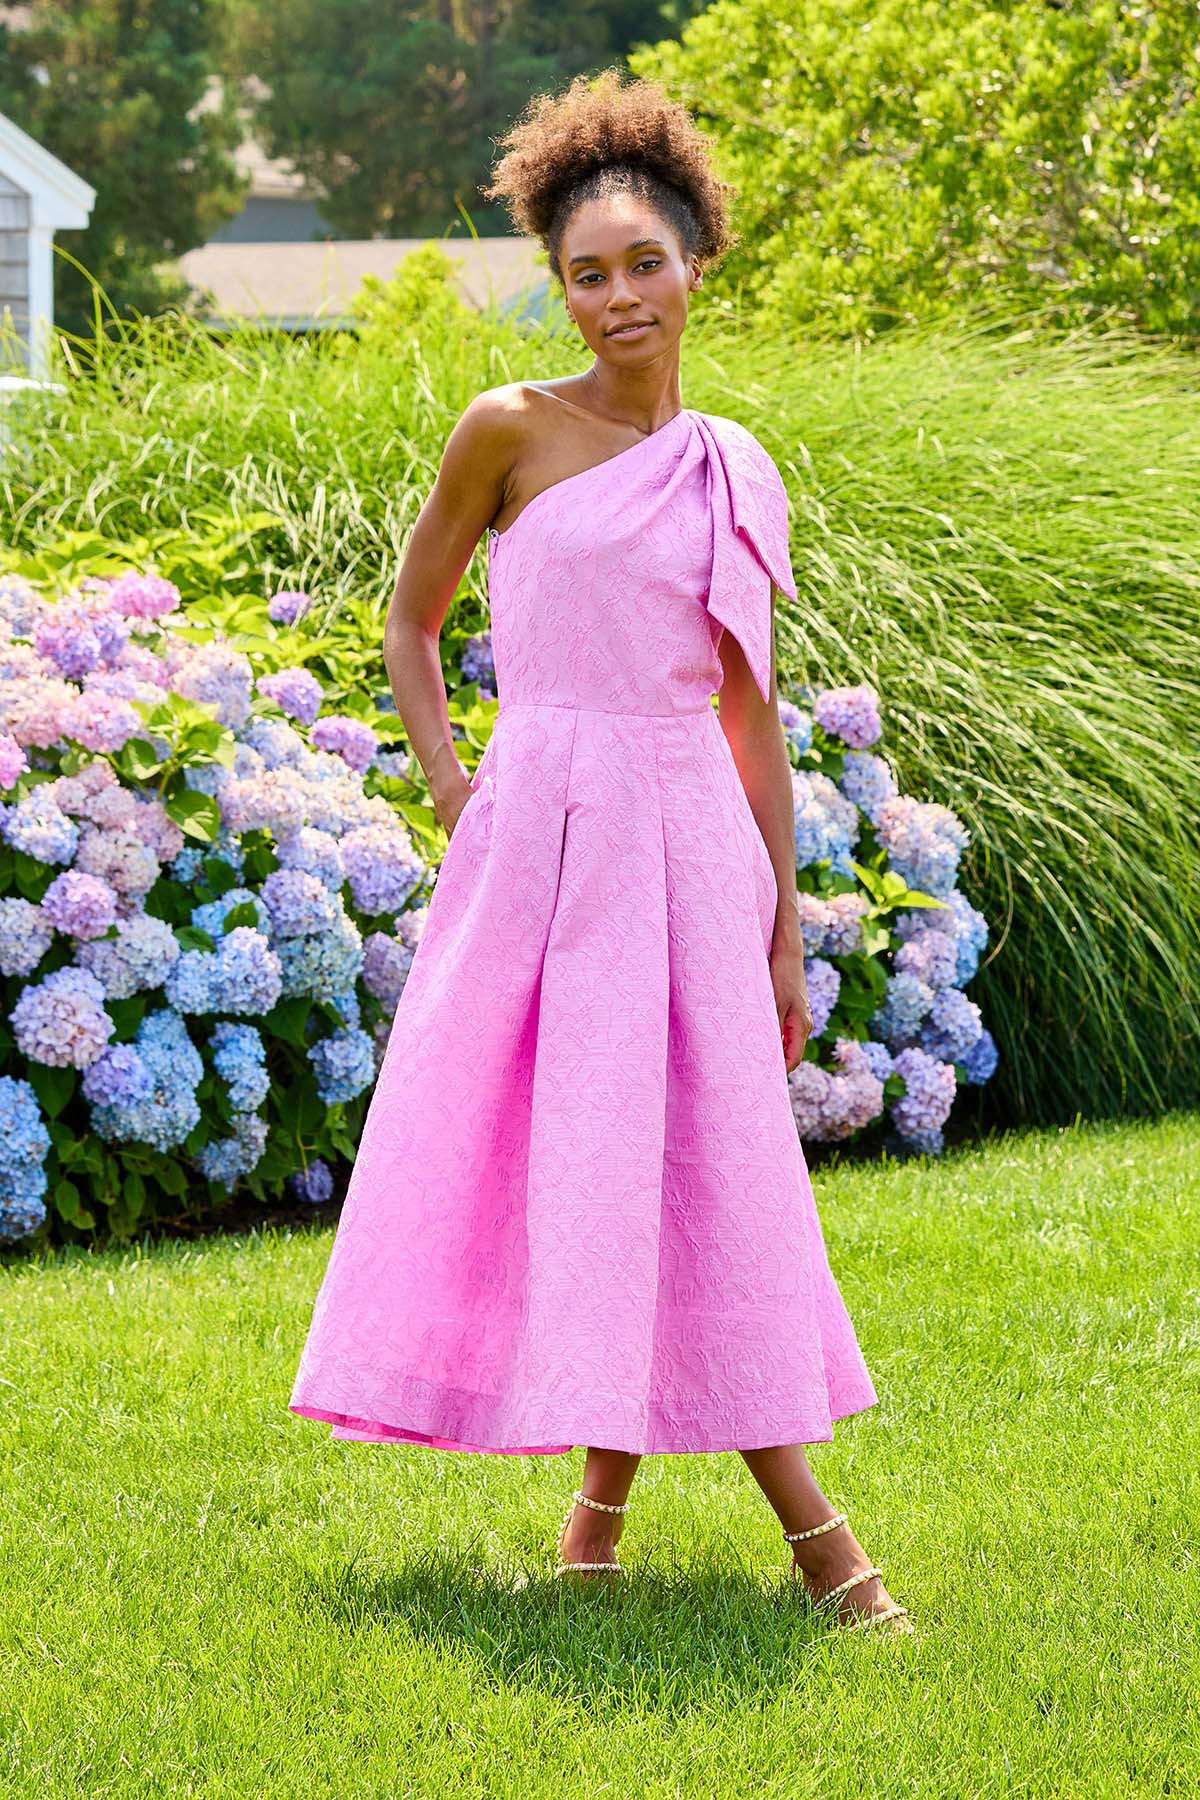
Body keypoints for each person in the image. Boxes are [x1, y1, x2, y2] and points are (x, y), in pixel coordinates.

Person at [290, 68, 912, 1635]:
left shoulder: (735, 467)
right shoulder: (505, 430)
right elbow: (413, 621)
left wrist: (780, 927)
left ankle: (605, 1522)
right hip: (543, 841)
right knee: (575, 1161)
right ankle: (826, 1557)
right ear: (555, 287)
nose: (617, 298)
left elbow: (751, 724)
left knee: (694, 1171)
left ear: (697, 261)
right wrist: (455, 790)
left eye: (644, 263)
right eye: (585, 273)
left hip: (690, 846)